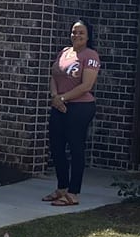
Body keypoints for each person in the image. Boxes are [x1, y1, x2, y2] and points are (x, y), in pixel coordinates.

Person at [42, 19, 100, 206]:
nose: (77, 35)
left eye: (81, 32)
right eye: (74, 32)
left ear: (88, 36)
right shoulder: (64, 52)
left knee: (75, 149)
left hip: (80, 108)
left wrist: (64, 98)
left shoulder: (90, 55)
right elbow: (54, 75)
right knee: (57, 147)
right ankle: (61, 187)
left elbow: (87, 85)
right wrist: (55, 97)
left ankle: (73, 193)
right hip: (59, 106)